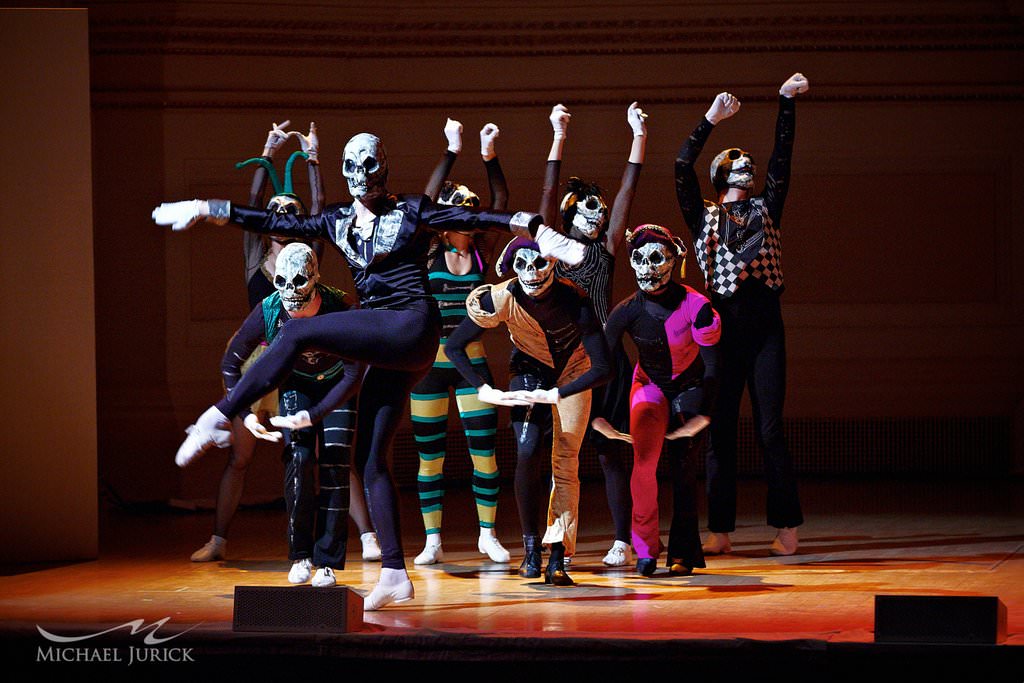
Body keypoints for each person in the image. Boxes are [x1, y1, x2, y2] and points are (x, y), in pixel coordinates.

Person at [152, 130, 583, 610]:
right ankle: (396, 572)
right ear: (343, 173)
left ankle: (219, 415)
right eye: (352, 168)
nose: (361, 177)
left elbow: (473, 216)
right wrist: (207, 208)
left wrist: (537, 230)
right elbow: (272, 221)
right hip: (390, 346)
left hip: (412, 325)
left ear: (384, 168)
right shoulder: (336, 220)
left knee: (297, 331)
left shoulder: (411, 210)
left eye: (369, 166)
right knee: (370, 458)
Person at [191, 122, 379, 564]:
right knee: (241, 456)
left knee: (330, 455)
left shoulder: (308, 255)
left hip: (304, 360)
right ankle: (219, 538)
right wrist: (268, 149)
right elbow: (251, 207)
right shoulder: (256, 255)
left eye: (289, 209)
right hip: (262, 359)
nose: (281, 214)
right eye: (275, 209)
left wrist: (314, 159)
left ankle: (367, 535)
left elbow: (317, 208)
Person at [673, 73, 809, 556]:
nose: (746, 167)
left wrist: (785, 102)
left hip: (766, 324)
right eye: (735, 164)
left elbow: (782, 160)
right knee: (720, 428)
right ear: (720, 177)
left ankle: (787, 526)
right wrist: (710, 119)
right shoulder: (705, 216)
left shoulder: (768, 208)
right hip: (723, 327)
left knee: (770, 427)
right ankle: (721, 530)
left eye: (747, 164)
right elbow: (680, 166)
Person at [446, 237, 611, 586]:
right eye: (522, 265)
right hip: (529, 371)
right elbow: (456, 345)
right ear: (512, 267)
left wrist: (558, 393)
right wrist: (483, 388)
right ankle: (531, 547)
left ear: (553, 264)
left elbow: (603, 367)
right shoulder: (502, 296)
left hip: (573, 372)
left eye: (539, 264)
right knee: (527, 449)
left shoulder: (573, 299)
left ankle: (559, 555)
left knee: (565, 462)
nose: (532, 273)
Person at [539, 101, 646, 567]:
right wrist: (558, 134)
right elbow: (543, 201)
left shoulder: (605, 248)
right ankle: (556, 542)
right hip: (566, 357)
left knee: (610, 449)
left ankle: (623, 539)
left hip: (607, 357)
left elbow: (628, 189)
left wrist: (638, 136)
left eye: (601, 210)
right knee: (562, 453)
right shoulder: (554, 250)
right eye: (589, 208)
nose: (599, 214)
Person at [222, 243, 364, 587]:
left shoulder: (339, 306)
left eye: (299, 281)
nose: (291, 292)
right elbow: (231, 363)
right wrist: (245, 413)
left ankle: (327, 560)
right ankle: (301, 555)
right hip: (295, 386)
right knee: (298, 461)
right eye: (283, 283)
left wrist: (319, 411)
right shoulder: (269, 311)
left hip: (336, 388)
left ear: (314, 278)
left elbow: (357, 366)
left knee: (335, 464)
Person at [410, 119, 511, 566]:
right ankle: (433, 539)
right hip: (429, 366)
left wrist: (488, 154)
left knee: (483, 454)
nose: (469, 219)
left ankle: (487, 535)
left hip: (472, 362)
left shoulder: (482, 250)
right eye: (461, 213)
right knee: (429, 458)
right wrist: (450, 150)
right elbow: (423, 204)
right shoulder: (426, 249)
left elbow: (502, 202)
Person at [601, 224, 720, 576]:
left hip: (689, 385)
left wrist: (705, 414)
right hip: (649, 385)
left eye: (656, 258)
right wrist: (601, 413)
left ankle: (683, 552)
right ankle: (645, 550)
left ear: (672, 260)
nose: (647, 267)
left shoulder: (697, 306)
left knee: (683, 469)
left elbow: (714, 363)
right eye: (639, 258)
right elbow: (602, 361)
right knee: (644, 466)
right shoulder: (626, 311)